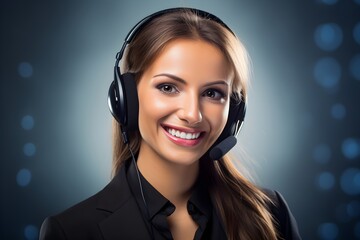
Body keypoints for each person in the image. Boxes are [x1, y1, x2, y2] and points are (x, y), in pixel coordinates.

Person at [40, 8, 301, 240]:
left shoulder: (272, 213)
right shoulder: (70, 231)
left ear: (234, 111)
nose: (192, 114)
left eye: (212, 93)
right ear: (125, 98)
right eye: (168, 87)